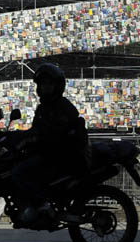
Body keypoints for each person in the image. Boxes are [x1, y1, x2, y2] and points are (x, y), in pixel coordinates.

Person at [9, 62, 90, 226]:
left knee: (19, 172)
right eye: (42, 84)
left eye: (49, 83)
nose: (45, 87)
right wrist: (12, 136)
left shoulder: (63, 107)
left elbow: (50, 134)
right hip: (50, 154)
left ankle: (42, 206)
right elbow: (35, 131)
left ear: (57, 86)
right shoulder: (43, 108)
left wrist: (31, 139)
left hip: (61, 157)